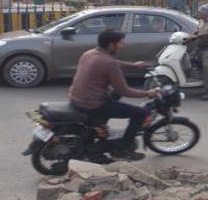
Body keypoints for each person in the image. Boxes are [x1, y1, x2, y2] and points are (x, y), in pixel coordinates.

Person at [68, 29, 158, 161]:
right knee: (141, 113)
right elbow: (124, 91)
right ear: (111, 45)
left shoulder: (90, 53)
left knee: (114, 95)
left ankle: (100, 126)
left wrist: (134, 66)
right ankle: (122, 147)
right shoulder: (108, 63)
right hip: (93, 104)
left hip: (77, 98)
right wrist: (147, 93)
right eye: (120, 43)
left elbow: (113, 63)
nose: (123, 46)